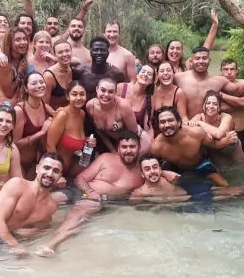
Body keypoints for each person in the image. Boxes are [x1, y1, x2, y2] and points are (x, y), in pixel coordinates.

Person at [37, 133, 173, 256]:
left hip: (101, 201)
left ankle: (52, 244)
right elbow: (80, 178)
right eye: (124, 147)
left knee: (76, 216)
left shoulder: (142, 170)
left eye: (132, 146)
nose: (128, 150)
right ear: (118, 148)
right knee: (48, 201)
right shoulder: (106, 158)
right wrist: (91, 192)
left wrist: (165, 173)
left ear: (139, 148)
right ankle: (29, 232)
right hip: (83, 191)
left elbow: (155, 177)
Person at [130, 154, 244, 203]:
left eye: (155, 167)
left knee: (238, 191)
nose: (152, 172)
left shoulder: (167, 178)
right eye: (147, 169)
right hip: (188, 202)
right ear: (142, 173)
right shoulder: (139, 193)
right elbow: (133, 210)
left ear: (160, 168)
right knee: (234, 195)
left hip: (194, 192)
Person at [150, 106, 237, 187]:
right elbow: (149, 166)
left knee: (224, 185)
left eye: (170, 120)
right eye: (162, 122)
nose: (167, 125)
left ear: (179, 122)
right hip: (175, 168)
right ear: (158, 125)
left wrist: (226, 141)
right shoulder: (156, 146)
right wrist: (164, 173)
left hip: (200, 164)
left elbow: (214, 145)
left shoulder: (196, 133)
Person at [174, 46, 244, 118]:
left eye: (204, 58)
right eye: (197, 58)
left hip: (210, 126)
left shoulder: (219, 81)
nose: (201, 61)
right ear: (191, 61)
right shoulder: (178, 78)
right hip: (185, 125)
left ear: (209, 60)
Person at [87, 77, 152, 154]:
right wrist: (112, 149)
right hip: (116, 143)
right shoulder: (90, 106)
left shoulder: (123, 106)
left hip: (136, 141)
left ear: (115, 93)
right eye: (103, 90)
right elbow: (99, 131)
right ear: (97, 89)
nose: (106, 94)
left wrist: (126, 152)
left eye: (111, 92)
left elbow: (134, 132)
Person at [46, 82, 96, 177]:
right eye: (74, 94)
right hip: (57, 171)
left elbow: (76, 143)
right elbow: (50, 146)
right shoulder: (62, 115)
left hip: (73, 168)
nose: (78, 98)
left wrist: (88, 144)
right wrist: (56, 173)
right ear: (67, 96)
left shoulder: (82, 114)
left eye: (82, 94)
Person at [14, 72, 53, 177]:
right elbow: (15, 143)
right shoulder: (19, 110)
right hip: (16, 161)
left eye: (41, 82)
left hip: (34, 162)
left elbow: (58, 116)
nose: (39, 86)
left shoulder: (44, 104)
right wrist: (42, 132)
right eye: (34, 83)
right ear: (26, 88)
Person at [189, 90, 244, 163]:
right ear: (203, 106)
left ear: (219, 108)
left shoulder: (225, 117)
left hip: (230, 146)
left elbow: (218, 134)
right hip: (213, 147)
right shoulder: (198, 117)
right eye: (208, 103)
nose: (211, 106)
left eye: (215, 104)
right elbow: (188, 127)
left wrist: (200, 123)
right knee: (220, 169)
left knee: (240, 167)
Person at [220, 59, 244, 156]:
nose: (229, 72)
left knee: (243, 161)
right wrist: (241, 102)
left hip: (241, 132)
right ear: (220, 71)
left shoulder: (243, 84)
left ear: (237, 71)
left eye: (232, 69)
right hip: (223, 134)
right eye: (225, 69)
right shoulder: (216, 86)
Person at [73, 36, 126, 101]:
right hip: (84, 109)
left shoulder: (117, 74)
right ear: (91, 52)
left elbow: (121, 96)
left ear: (108, 53)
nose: (99, 53)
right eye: (96, 50)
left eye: (103, 50)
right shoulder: (80, 71)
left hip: (107, 109)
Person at [0, 27, 30, 108]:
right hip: (1, 107)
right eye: (18, 40)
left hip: (15, 105)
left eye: (24, 39)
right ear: (9, 43)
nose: (23, 42)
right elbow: (9, 94)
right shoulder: (3, 63)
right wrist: (20, 71)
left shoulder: (22, 60)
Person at [117, 64, 154, 131]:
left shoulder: (149, 99)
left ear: (151, 81)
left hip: (134, 134)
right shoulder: (121, 87)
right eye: (143, 72)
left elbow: (147, 126)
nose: (145, 74)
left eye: (149, 74)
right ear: (137, 75)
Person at [151, 61, 188, 128]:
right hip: (154, 132)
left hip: (171, 132)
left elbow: (183, 117)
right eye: (162, 71)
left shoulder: (178, 93)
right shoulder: (152, 92)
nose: (165, 73)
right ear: (157, 75)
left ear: (173, 74)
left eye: (168, 70)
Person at [43, 40, 73, 109]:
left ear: (71, 52)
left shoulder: (73, 69)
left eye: (67, 51)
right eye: (60, 52)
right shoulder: (49, 76)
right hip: (54, 115)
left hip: (70, 113)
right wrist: (55, 114)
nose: (65, 54)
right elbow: (44, 103)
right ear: (54, 55)